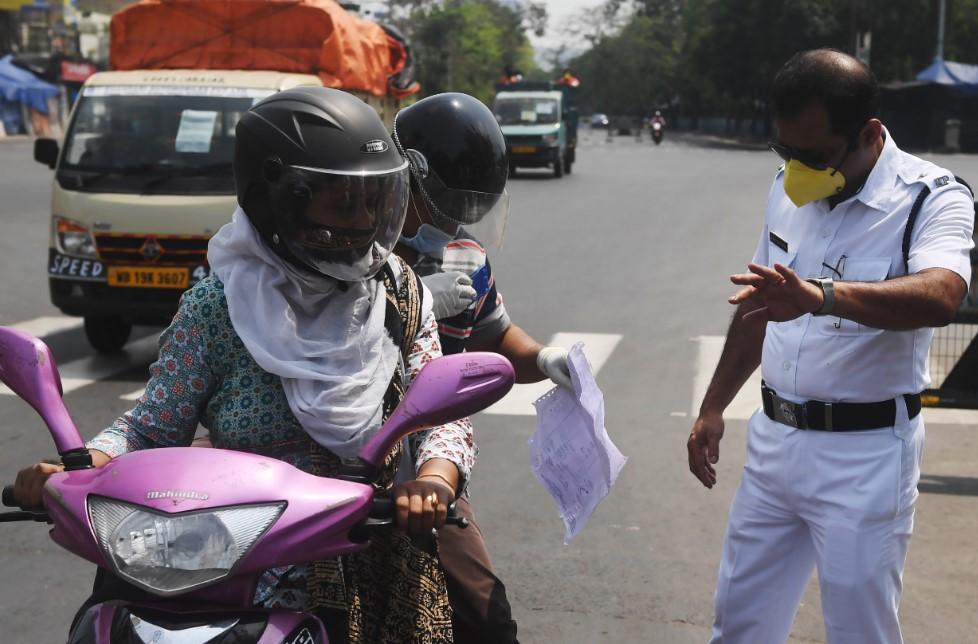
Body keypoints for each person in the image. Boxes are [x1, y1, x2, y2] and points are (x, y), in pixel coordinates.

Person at [14, 87, 476, 644]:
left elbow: (438, 411)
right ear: (282, 199)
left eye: (375, 201)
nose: (365, 221)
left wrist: (432, 480)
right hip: (228, 565)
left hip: (369, 552)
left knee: (483, 616)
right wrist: (77, 464)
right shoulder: (217, 305)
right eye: (344, 202)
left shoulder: (400, 292)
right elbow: (151, 425)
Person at [687, 49, 974, 644]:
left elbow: (941, 295)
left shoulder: (931, 197)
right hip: (775, 446)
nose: (796, 170)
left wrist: (823, 297)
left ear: (869, 133)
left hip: (864, 458)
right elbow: (761, 303)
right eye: (784, 152)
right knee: (738, 625)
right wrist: (714, 407)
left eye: (813, 156)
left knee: (859, 632)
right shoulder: (786, 187)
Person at [391, 92, 573, 644]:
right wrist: (411, 297)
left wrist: (544, 359)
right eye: (445, 202)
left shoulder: (464, 252)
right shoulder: (356, 247)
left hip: (430, 461)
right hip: (342, 455)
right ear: (407, 177)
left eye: (469, 208)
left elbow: (495, 336)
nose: (454, 220)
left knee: (484, 618)